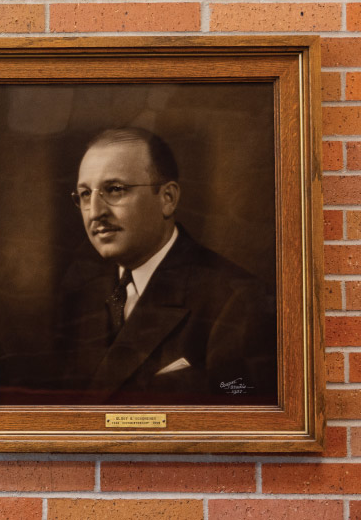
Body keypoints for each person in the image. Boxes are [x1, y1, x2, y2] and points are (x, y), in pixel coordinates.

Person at [52, 127, 276, 405]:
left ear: (167, 198)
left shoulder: (240, 302)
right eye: (85, 194)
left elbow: (244, 426)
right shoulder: (82, 297)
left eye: (115, 190)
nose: (95, 212)